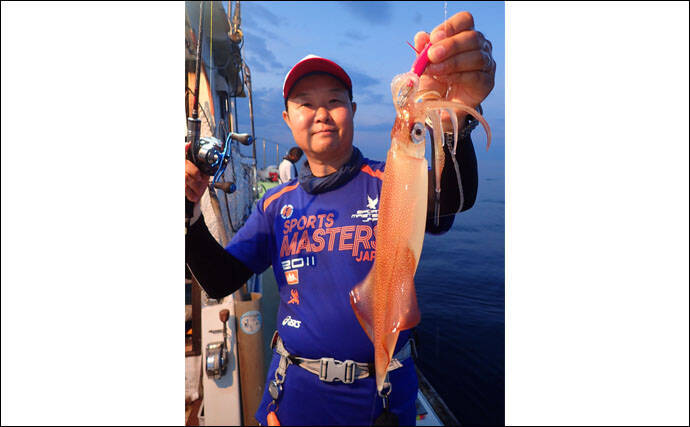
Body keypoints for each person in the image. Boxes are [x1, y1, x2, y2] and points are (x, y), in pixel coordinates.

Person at [185, 11, 495, 426]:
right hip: (293, 399)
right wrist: (187, 217)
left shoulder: (388, 181)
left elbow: (449, 203)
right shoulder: (275, 205)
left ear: (353, 109)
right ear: (287, 119)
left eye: (334, 100)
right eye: (305, 103)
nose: (321, 112)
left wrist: (457, 123)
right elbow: (220, 278)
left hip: (380, 405)